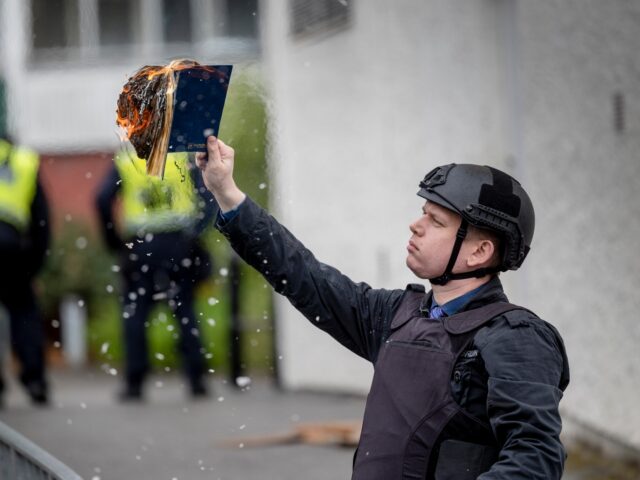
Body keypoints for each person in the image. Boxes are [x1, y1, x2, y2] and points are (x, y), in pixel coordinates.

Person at [195, 136, 570, 479]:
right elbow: (302, 275)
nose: (415, 225)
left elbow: (534, 457)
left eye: (435, 220)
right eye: (423, 211)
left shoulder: (517, 337)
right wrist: (225, 190)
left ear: (479, 252)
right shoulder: (394, 315)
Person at [95, 149, 217, 401]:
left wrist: (114, 242)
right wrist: (196, 232)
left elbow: (102, 198)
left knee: (135, 314)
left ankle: (135, 384)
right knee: (185, 311)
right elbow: (208, 195)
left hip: (142, 247)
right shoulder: (180, 159)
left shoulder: (127, 161)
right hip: (178, 245)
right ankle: (197, 380)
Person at [0, 134, 50, 406]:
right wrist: (35, 265)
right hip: (11, 247)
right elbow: (41, 220)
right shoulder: (24, 160)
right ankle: (35, 381)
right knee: (23, 312)